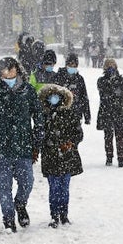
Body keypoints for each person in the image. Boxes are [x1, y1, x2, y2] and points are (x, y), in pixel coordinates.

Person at [0, 57, 44, 232]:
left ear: (18, 70)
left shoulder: (28, 90)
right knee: (4, 186)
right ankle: (8, 219)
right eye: (5, 69)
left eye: (12, 68)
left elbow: (38, 113)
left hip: (23, 144)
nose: (9, 72)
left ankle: (20, 204)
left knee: (27, 182)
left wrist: (38, 131)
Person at [38, 84, 84, 227]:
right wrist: (45, 143)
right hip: (50, 157)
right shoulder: (43, 115)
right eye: (51, 96)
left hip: (67, 156)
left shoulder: (70, 114)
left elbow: (78, 133)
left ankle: (64, 214)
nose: (54, 99)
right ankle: (54, 215)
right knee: (54, 187)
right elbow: (39, 134)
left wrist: (70, 143)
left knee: (64, 187)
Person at [96, 58, 123, 167]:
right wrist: (113, 89)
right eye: (108, 65)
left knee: (120, 135)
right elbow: (103, 95)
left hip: (119, 111)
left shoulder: (121, 80)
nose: (111, 67)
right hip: (107, 111)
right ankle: (109, 157)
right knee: (108, 135)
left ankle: (121, 158)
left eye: (113, 65)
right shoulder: (101, 80)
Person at [56, 52, 91, 125]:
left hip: (76, 114)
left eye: (74, 65)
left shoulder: (79, 79)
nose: (72, 67)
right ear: (66, 65)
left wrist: (87, 116)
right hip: (61, 113)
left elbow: (84, 97)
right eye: (70, 64)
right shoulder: (59, 77)